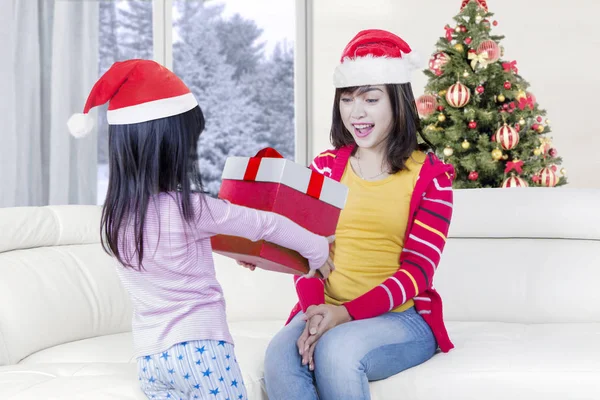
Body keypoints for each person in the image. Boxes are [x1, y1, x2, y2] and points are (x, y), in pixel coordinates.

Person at [67, 59, 334, 400]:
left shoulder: (117, 218)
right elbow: (265, 224)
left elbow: (184, 251)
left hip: (150, 358)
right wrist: (316, 250)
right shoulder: (189, 207)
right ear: (170, 147)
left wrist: (247, 255)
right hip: (202, 352)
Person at [262, 29, 456, 400]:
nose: (357, 112)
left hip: (401, 318)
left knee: (337, 352)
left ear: (398, 102)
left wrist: (343, 316)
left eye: (370, 98)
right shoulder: (324, 169)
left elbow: (417, 273)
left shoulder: (431, 177)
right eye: (348, 99)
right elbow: (307, 254)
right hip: (325, 307)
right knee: (279, 357)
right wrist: (316, 310)